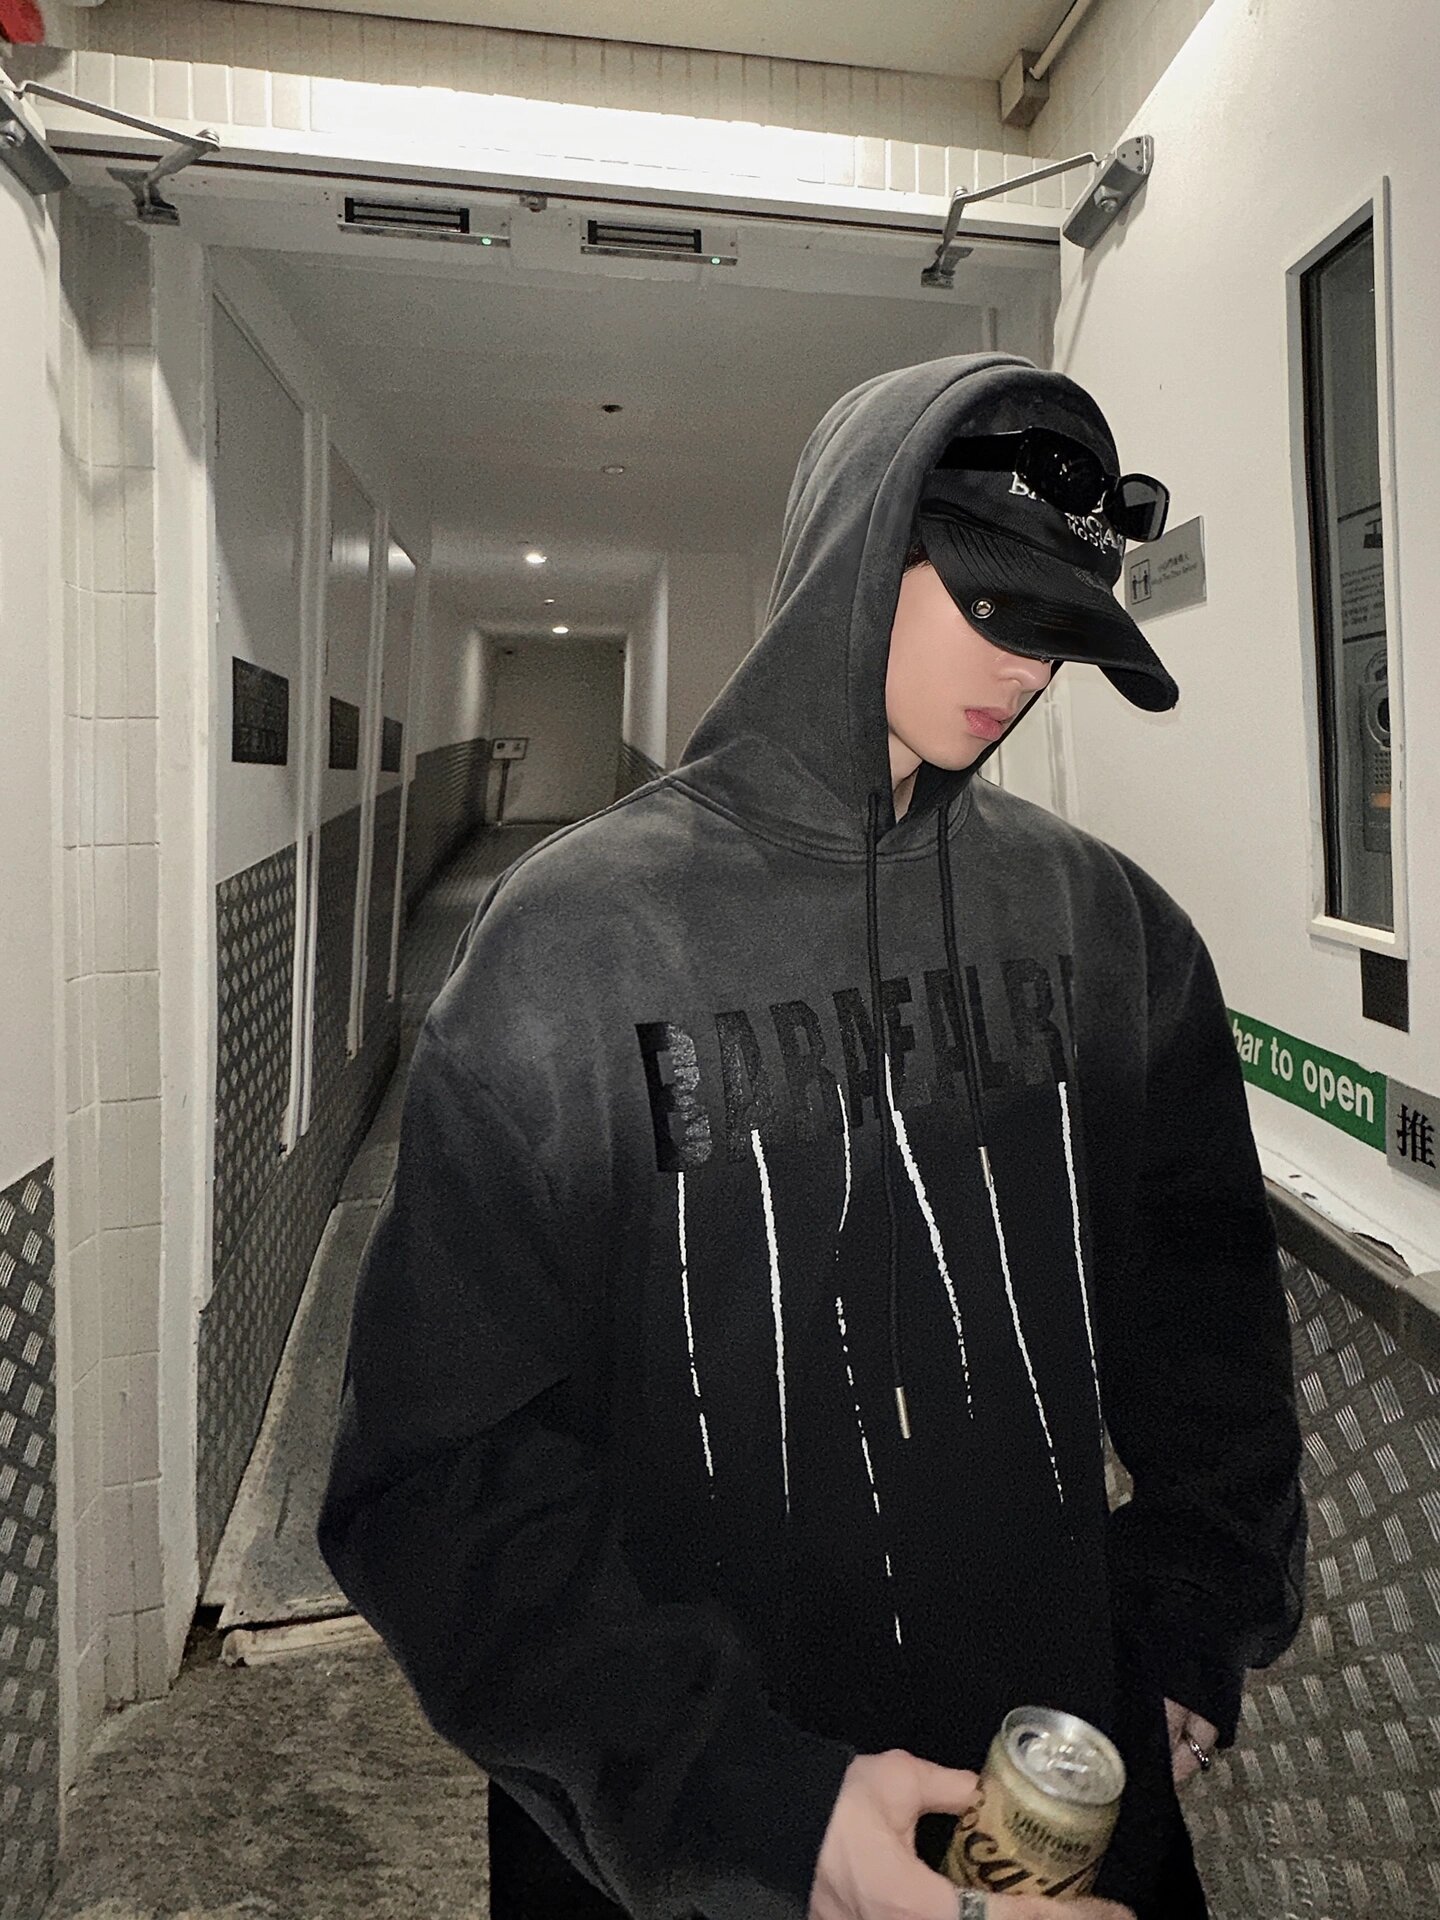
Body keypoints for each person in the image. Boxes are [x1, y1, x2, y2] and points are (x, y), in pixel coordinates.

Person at [316, 352, 1306, 1920]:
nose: (1025, 670)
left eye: (1058, 629)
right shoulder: (571, 950)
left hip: (1039, 1790)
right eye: (991, 604)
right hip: (689, 1849)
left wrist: (1192, 1625)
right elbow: (441, 1477)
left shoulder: (1111, 930)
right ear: (856, 555)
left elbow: (1213, 1336)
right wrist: (743, 1799)